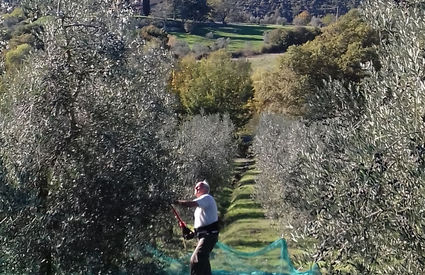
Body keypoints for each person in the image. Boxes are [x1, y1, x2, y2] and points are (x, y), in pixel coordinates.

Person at [174, 180, 219, 275]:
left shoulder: (207, 197)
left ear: (206, 189)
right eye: (196, 186)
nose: (196, 188)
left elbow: (189, 204)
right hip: (205, 236)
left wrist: (175, 201)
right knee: (204, 264)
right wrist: (190, 232)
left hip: (208, 236)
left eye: (199, 186)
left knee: (196, 259)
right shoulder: (200, 207)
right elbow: (202, 224)